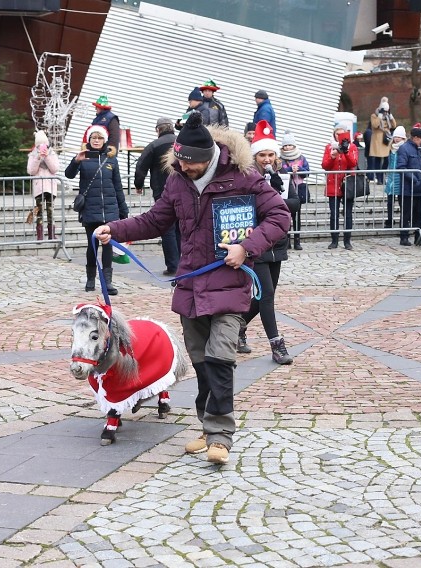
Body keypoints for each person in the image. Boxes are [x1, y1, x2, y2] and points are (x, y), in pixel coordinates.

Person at [93, 112, 290, 465]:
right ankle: (206, 427)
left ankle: (221, 436)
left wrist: (247, 247)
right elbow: (155, 220)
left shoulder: (245, 176)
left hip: (230, 282)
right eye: (180, 164)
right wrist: (116, 229)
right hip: (191, 283)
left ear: (210, 156)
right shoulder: (178, 180)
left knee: (220, 357)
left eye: (191, 165)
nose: (184, 170)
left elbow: (279, 217)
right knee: (201, 362)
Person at [238, 120, 298, 365]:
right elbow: (248, 210)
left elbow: (296, 203)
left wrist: (277, 194)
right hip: (257, 243)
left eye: (270, 154)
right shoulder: (246, 178)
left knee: (264, 294)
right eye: (261, 154)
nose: (266, 159)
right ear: (254, 156)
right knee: (268, 294)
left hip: (278, 243)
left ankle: (237, 327)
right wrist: (268, 198)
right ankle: (277, 345)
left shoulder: (282, 177)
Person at [64, 124, 128, 294]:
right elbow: (68, 174)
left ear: (104, 140)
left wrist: (123, 209)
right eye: (94, 138)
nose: (97, 141)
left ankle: (107, 282)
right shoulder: (83, 158)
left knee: (107, 245)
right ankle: (91, 278)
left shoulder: (111, 160)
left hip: (110, 209)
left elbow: (117, 186)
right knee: (92, 245)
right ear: (89, 140)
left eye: (100, 138)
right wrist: (76, 160)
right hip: (90, 209)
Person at [134, 117, 179, 275]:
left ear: (158, 130)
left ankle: (173, 265)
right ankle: (185, 264)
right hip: (185, 190)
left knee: (167, 228)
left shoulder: (154, 145)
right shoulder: (182, 143)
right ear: (172, 128)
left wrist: (138, 185)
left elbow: (141, 166)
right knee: (183, 227)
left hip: (162, 191)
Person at [321, 123, 359, 250]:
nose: (339, 136)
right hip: (334, 184)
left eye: (342, 133)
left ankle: (347, 241)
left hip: (347, 184)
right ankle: (334, 240)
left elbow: (353, 163)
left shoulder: (352, 147)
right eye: (337, 133)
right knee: (334, 214)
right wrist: (332, 156)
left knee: (348, 214)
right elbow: (325, 165)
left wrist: (346, 151)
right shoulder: (329, 147)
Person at [26, 130, 59, 241]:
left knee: (51, 211)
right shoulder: (32, 155)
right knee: (39, 211)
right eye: (39, 145)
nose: (42, 147)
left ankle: (51, 234)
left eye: (44, 144)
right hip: (39, 187)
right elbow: (31, 170)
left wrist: (47, 157)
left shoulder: (52, 153)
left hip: (50, 187)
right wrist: (38, 158)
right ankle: (39, 235)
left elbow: (55, 169)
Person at [279, 130, 310, 250]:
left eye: (289, 145)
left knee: (297, 217)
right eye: (285, 145)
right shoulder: (280, 159)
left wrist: (300, 169)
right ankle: (287, 241)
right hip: (286, 190)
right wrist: (290, 169)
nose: (287, 147)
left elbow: (307, 171)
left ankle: (297, 240)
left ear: (294, 145)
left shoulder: (301, 157)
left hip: (299, 189)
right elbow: (279, 170)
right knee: (286, 216)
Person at [397, 126, 421, 246]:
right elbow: (401, 167)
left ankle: (418, 237)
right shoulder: (404, 149)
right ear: (416, 138)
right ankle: (404, 237)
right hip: (407, 188)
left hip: (418, 188)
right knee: (406, 214)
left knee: (418, 214)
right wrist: (414, 179)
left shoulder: (418, 149)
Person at [383, 125, 407, 228]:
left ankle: (403, 221)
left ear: (403, 138)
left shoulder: (404, 148)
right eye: (395, 137)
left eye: (399, 137)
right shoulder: (390, 148)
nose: (396, 139)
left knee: (402, 202)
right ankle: (389, 220)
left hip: (401, 177)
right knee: (390, 201)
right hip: (391, 177)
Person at [369, 98, 396, 185]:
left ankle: (383, 176)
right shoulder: (374, 115)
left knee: (386, 159)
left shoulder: (387, 116)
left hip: (386, 139)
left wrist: (390, 115)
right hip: (378, 140)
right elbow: (375, 125)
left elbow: (394, 125)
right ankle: (379, 178)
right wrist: (380, 115)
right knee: (377, 159)